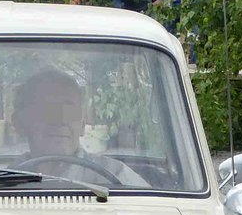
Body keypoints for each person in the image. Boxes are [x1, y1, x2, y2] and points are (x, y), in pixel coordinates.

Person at [11, 69, 148, 187]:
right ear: (19, 123)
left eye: (69, 111)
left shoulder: (119, 177)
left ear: (82, 125)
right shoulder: (1, 181)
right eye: (45, 110)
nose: (59, 120)